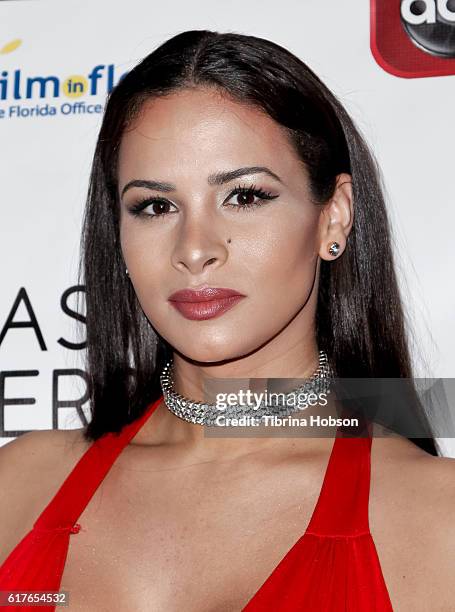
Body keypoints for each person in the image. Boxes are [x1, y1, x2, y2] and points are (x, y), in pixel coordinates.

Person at [0, 29, 454, 611]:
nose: (195, 248)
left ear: (333, 217)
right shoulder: (20, 486)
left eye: (244, 196)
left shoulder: (437, 520)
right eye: (155, 206)